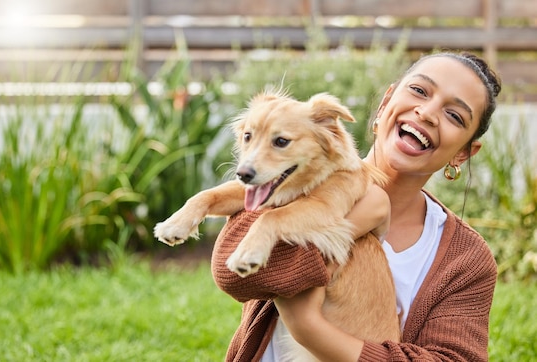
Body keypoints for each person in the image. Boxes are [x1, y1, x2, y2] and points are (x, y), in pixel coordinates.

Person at [210, 51, 501, 361]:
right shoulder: (291, 179)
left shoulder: (466, 260)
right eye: (419, 90)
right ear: (385, 103)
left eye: (455, 115)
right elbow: (235, 275)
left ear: (464, 154)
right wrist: (357, 220)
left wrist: (309, 328)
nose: (427, 113)